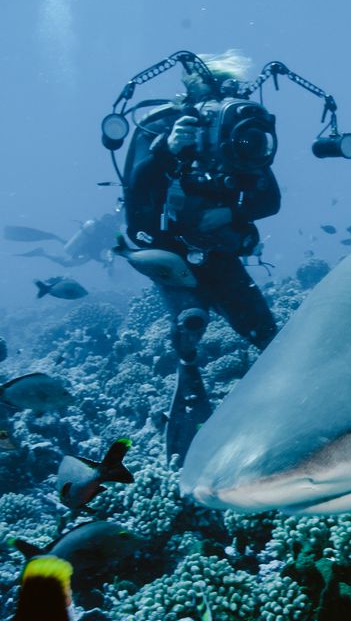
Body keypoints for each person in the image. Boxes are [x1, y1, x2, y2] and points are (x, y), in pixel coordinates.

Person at [117, 51, 281, 460]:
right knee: (190, 321)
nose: (221, 99)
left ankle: (283, 410)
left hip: (216, 254)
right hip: (168, 251)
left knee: (267, 334)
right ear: (192, 88)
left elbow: (270, 198)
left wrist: (232, 212)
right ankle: (188, 389)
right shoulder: (159, 126)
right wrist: (164, 151)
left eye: (230, 89)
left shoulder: (234, 132)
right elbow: (135, 206)